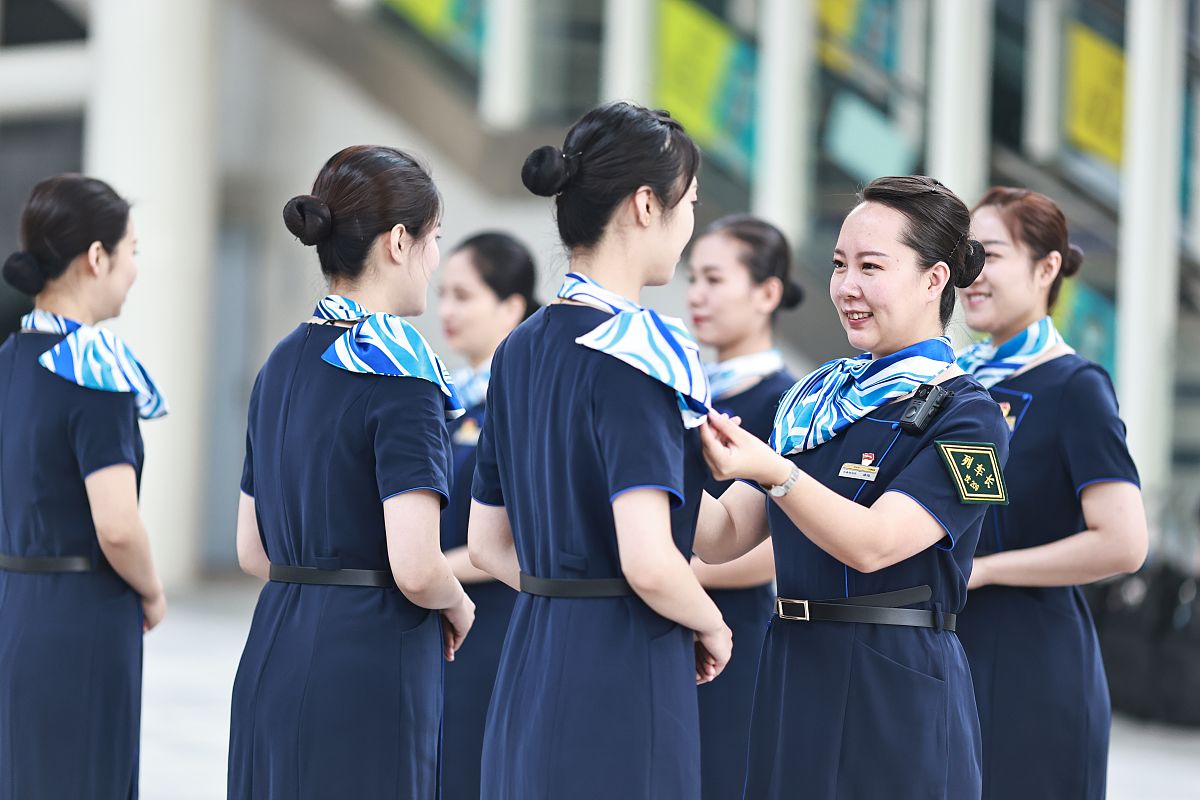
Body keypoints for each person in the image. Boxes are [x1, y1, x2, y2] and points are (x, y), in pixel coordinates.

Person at [695, 175, 1009, 799]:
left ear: (934, 279)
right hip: (792, 666)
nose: (847, 288)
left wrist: (776, 473)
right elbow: (722, 535)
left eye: (871, 266)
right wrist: (655, 442)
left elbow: (873, 544)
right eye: (840, 265)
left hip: (894, 678)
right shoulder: (815, 401)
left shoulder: (972, 417)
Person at [466, 101, 732, 799]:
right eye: (691, 204)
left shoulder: (520, 346)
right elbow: (649, 561)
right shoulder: (636, 355)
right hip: (624, 663)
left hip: (532, 651)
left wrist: (563, 596)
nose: (690, 225)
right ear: (647, 204)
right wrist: (712, 623)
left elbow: (488, 544)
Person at [227, 145, 475, 798]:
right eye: (435, 239)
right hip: (365, 662)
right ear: (399, 242)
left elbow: (253, 551)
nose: (435, 259)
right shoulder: (397, 368)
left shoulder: (281, 362)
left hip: (272, 649)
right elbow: (417, 567)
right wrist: (460, 602)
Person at [955, 186, 1148, 799]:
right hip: (952, 647)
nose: (971, 273)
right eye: (965, 255)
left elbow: (1123, 542)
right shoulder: (955, 382)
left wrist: (986, 571)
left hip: (1033, 660)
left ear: (1047, 268)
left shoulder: (1075, 386)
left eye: (989, 254)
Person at [0, 174, 167, 799]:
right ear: (97, 258)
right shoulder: (92, 373)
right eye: (132, 252)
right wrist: (151, 591)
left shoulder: (10, 360)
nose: (133, 270)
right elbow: (118, 525)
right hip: (81, 616)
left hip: (12, 603)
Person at [684, 213, 802, 799]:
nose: (696, 295)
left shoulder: (786, 402)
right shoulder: (685, 390)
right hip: (664, 618)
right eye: (692, 279)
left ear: (768, 293)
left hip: (735, 628)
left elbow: (779, 544)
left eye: (713, 279)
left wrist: (662, 573)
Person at [436, 231, 538, 800]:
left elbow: (525, 531)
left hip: (494, 616)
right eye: (442, 293)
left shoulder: (520, 397)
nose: (446, 310)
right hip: (438, 615)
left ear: (511, 306)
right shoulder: (446, 400)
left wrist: (425, 565)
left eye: (464, 295)